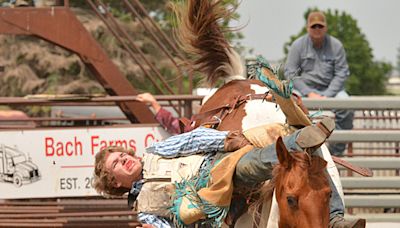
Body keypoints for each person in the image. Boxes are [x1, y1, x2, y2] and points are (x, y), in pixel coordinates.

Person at [93, 117, 365, 228]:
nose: (124, 160)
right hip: (205, 212)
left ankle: (302, 141)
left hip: (215, 170)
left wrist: (225, 141)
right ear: (116, 183)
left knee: (250, 164)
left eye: (122, 155)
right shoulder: (145, 211)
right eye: (116, 164)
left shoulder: (154, 152)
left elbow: (191, 141)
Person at [284, 11, 354, 156]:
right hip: (304, 90)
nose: (317, 29)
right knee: (289, 105)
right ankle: (296, 152)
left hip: (332, 90)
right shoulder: (298, 45)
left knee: (346, 106)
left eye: (320, 26)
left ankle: (336, 153)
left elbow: (342, 73)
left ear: (326, 28)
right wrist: (309, 92)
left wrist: (327, 95)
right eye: (313, 26)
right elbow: (290, 73)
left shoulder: (336, 46)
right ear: (307, 28)